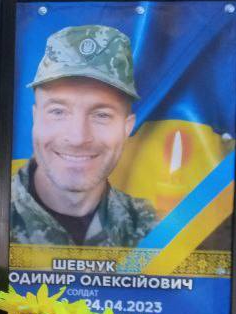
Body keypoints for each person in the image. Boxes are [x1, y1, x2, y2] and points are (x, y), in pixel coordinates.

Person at [11, 24, 157, 247]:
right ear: (35, 117)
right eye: (58, 112)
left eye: (101, 115)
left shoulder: (154, 230)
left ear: (127, 127)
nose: (78, 138)